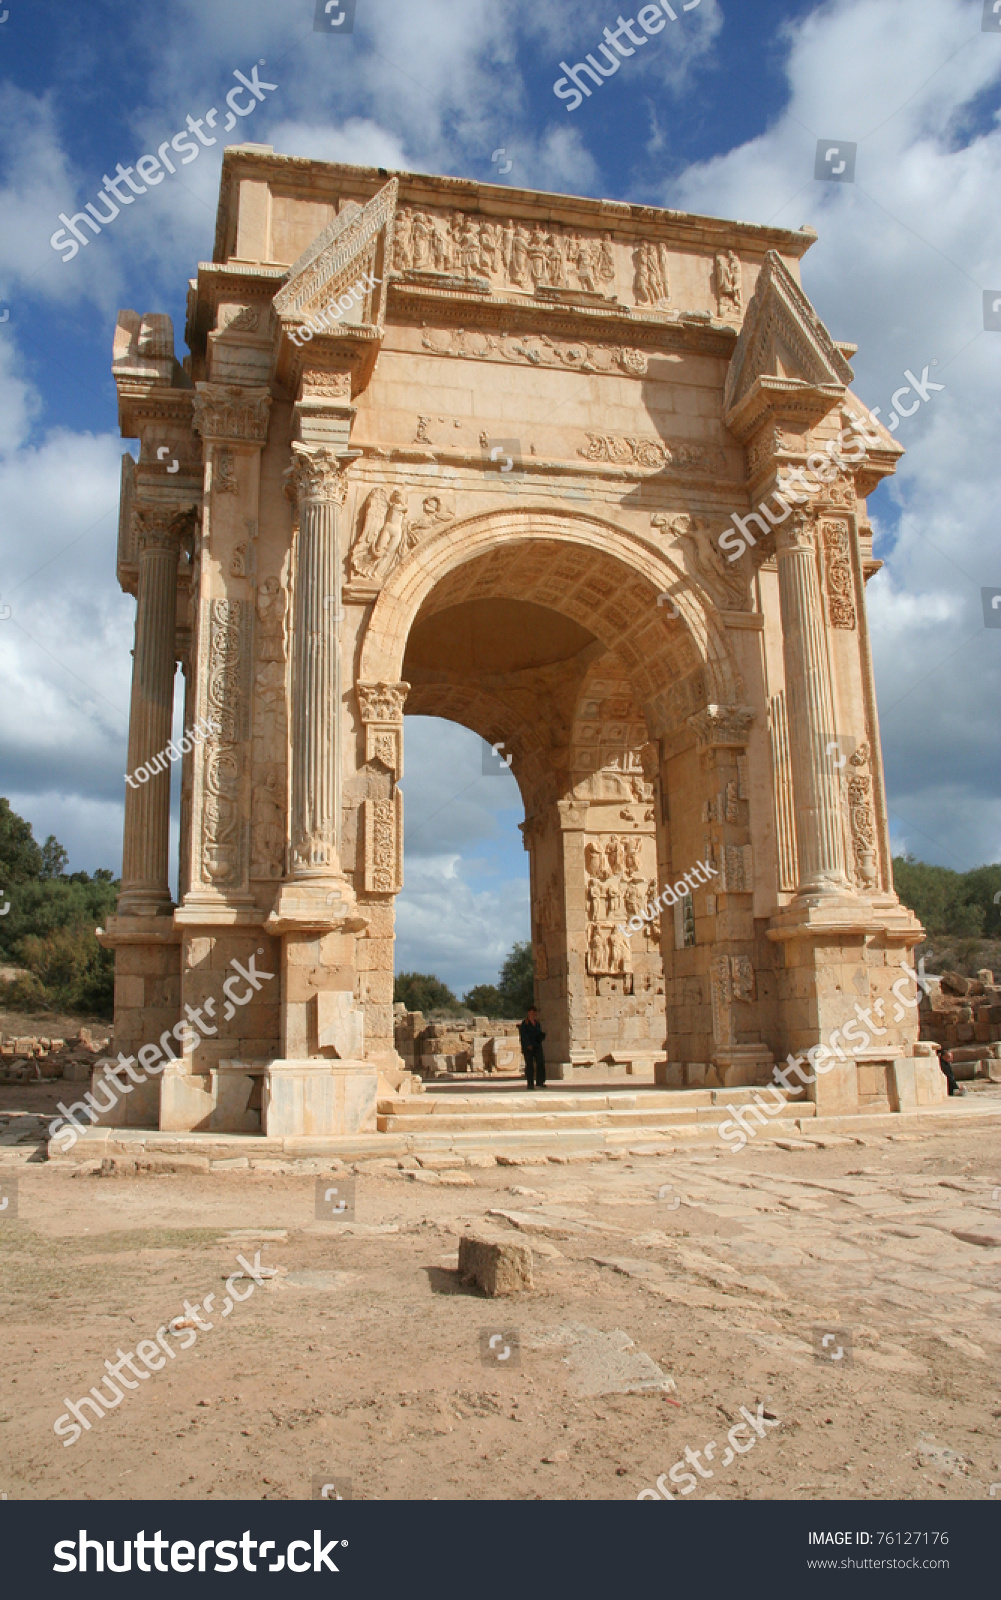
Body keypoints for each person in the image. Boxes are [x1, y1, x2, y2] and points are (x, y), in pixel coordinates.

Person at [519, 1006, 546, 1091]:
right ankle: (530, 1084)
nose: (533, 1013)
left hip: (537, 1045)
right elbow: (523, 1036)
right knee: (529, 1065)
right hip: (528, 1047)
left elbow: (538, 1033)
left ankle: (540, 1081)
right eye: (531, 1012)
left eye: (534, 1012)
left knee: (540, 1063)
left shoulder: (537, 1023)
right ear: (528, 1013)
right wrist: (528, 1044)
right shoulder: (524, 1024)